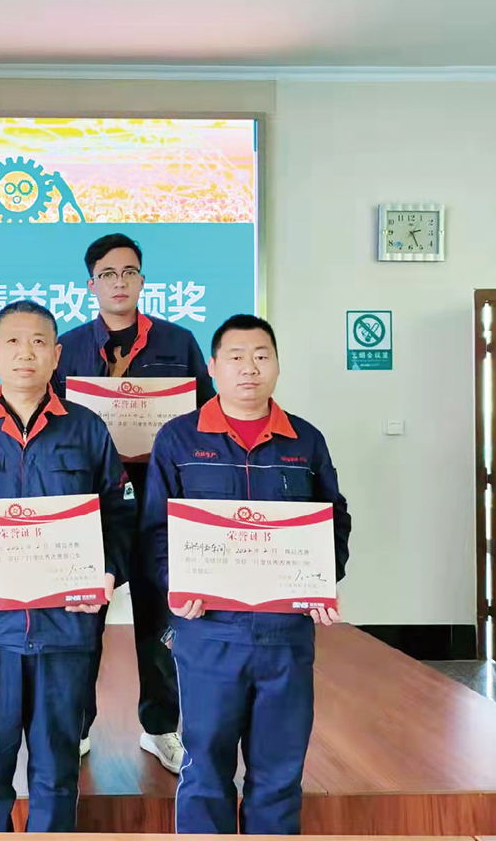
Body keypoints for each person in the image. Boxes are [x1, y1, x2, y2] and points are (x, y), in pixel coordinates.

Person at [0, 300, 135, 832]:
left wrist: (110, 571)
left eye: (40, 342)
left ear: (57, 355)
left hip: (65, 628)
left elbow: (118, 514)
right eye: (13, 342)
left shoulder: (87, 430)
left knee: (57, 772)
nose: (26, 353)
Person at [142, 313, 351, 835]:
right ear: (213, 367)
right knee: (205, 769)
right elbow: (156, 527)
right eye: (235, 357)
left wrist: (323, 580)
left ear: (277, 364)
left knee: (280, 771)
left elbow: (334, 518)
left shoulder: (305, 440)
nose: (249, 368)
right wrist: (176, 585)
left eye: (261, 356)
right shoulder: (179, 438)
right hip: (208, 630)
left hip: (285, 633)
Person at [56, 232, 215, 772]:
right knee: (83, 619)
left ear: (143, 280)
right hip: (91, 504)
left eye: (129, 272)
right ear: (90, 285)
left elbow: (204, 419)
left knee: (159, 620)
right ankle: (77, 727)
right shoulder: (69, 347)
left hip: (158, 500)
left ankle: (160, 726)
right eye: (108, 274)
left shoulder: (178, 342)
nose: (119, 282)